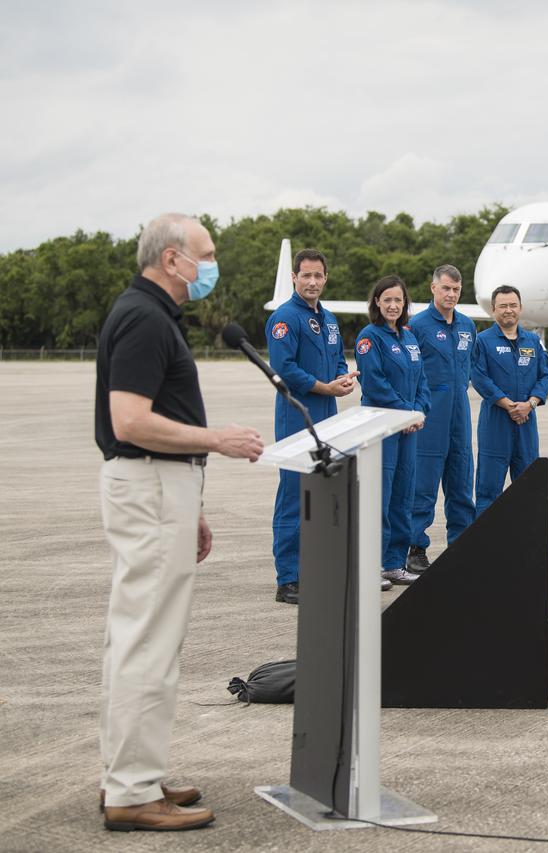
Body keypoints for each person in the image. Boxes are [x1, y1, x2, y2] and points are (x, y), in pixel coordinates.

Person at [96, 213, 264, 831]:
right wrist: (216, 439)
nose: (211, 266)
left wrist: (192, 505)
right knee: (148, 643)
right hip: (147, 481)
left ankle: (131, 771)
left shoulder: (148, 315)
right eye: (207, 254)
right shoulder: (143, 320)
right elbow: (130, 422)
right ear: (172, 260)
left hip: (159, 488)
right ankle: (132, 791)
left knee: (138, 639)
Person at [265, 249, 358, 605]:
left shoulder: (330, 319)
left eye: (318, 276)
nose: (313, 282)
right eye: (306, 276)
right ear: (294, 277)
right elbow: (284, 369)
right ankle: (288, 578)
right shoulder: (284, 318)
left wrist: (342, 379)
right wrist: (325, 387)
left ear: (325, 278)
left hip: (328, 412)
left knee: (321, 494)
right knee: (294, 493)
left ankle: (314, 570)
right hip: (297, 413)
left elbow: (336, 360)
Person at [353, 275, 431, 587]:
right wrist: (405, 412)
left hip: (408, 429)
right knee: (379, 497)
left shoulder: (409, 337)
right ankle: (370, 563)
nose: (393, 305)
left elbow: (422, 380)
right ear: (376, 303)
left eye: (398, 300)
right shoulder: (369, 338)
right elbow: (374, 383)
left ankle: (393, 563)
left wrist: (419, 410)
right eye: (387, 300)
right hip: (382, 428)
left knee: (402, 494)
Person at [405, 264, 477, 571]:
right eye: (446, 288)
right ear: (433, 288)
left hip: (460, 412)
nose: (451, 294)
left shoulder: (467, 326)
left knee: (461, 480)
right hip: (430, 413)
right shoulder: (416, 326)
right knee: (424, 483)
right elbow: (410, 371)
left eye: (456, 289)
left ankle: (461, 545)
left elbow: (470, 365)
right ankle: (415, 547)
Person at [471, 285, 548, 516]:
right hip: (495, 422)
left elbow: (546, 375)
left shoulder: (533, 341)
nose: (509, 310)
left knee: (529, 487)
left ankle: (527, 546)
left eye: (513, 305)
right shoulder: (482, 342)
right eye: (503, 306)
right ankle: (487, 546)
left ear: (520, 308)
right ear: (493, 310)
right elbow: (479, 377)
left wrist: (531, 403)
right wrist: (507, 404)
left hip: (527, 422)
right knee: (488, 490)